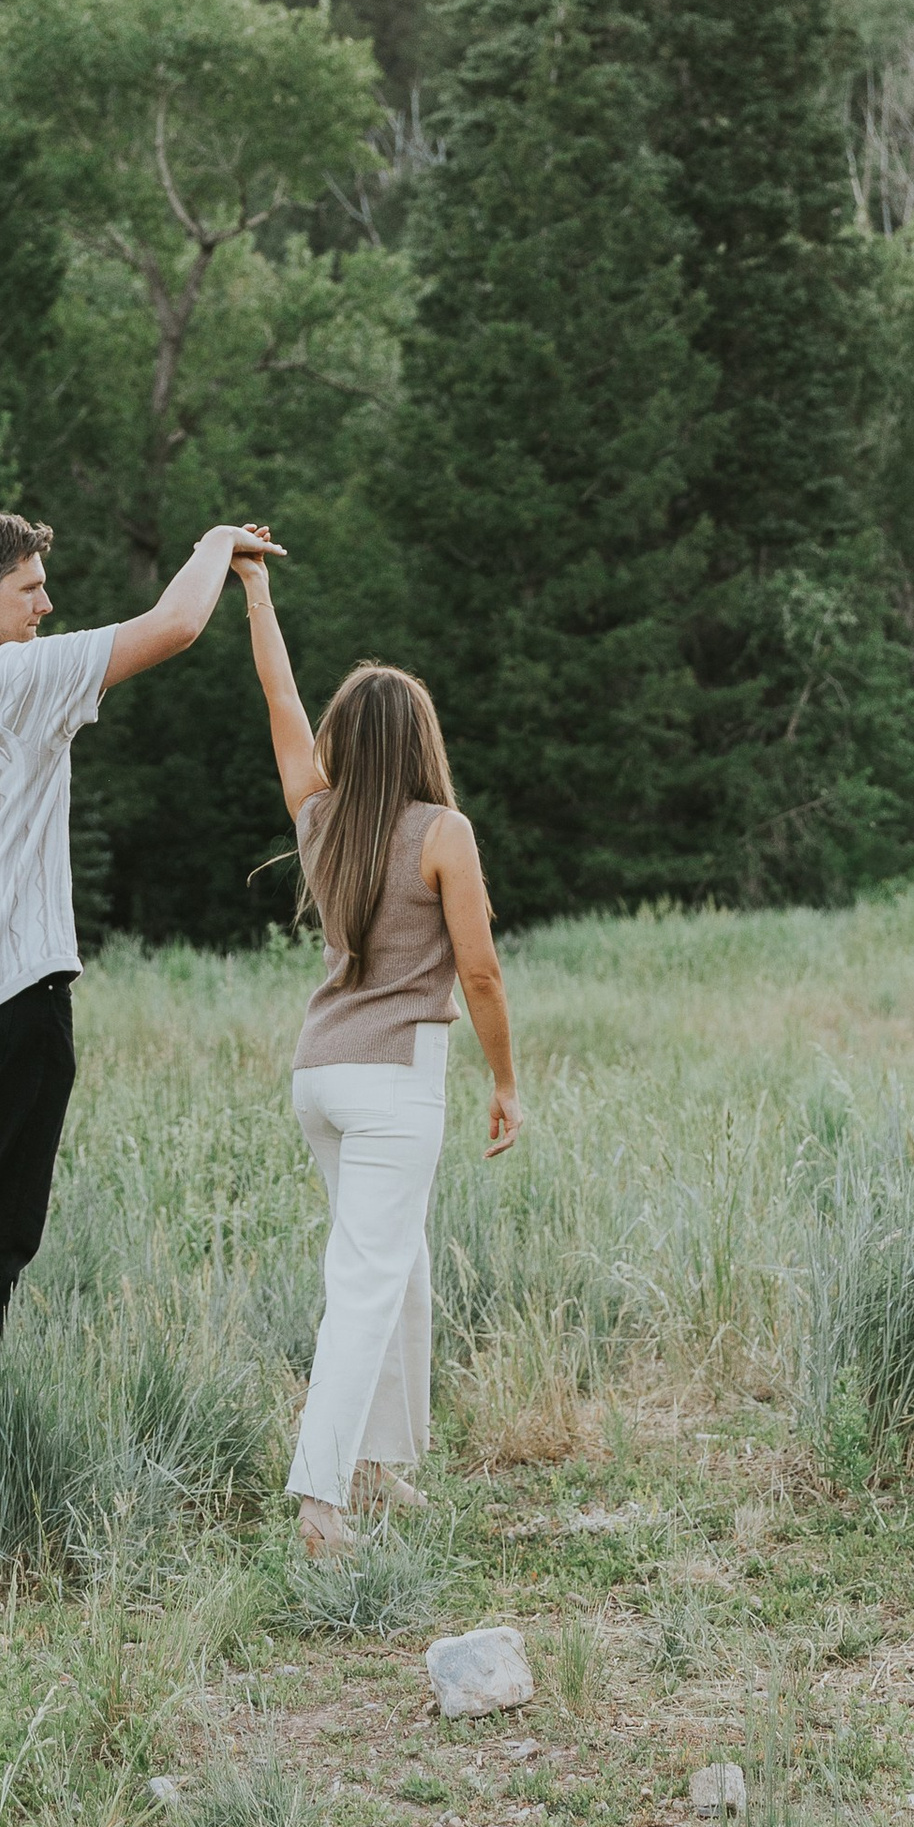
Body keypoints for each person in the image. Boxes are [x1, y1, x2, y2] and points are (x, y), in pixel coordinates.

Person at [0, 502, 282, 1528]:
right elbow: (172, 630)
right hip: (8, 1000)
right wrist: (213, 547)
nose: (47, 604)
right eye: (30, 586)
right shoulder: (5, 679)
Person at [236, 542, 522, 1555]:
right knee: (366, 1281)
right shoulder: (443, 832)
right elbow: (480, 974)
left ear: (346, 739)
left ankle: (378, 1462)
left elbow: (277, 694)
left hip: (319, 1073)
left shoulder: (319, 820)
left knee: (397, 1272)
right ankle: (321, 1503)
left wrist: (257, 594)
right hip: (397, 1076)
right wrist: (507, 1083)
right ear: (422, 740)